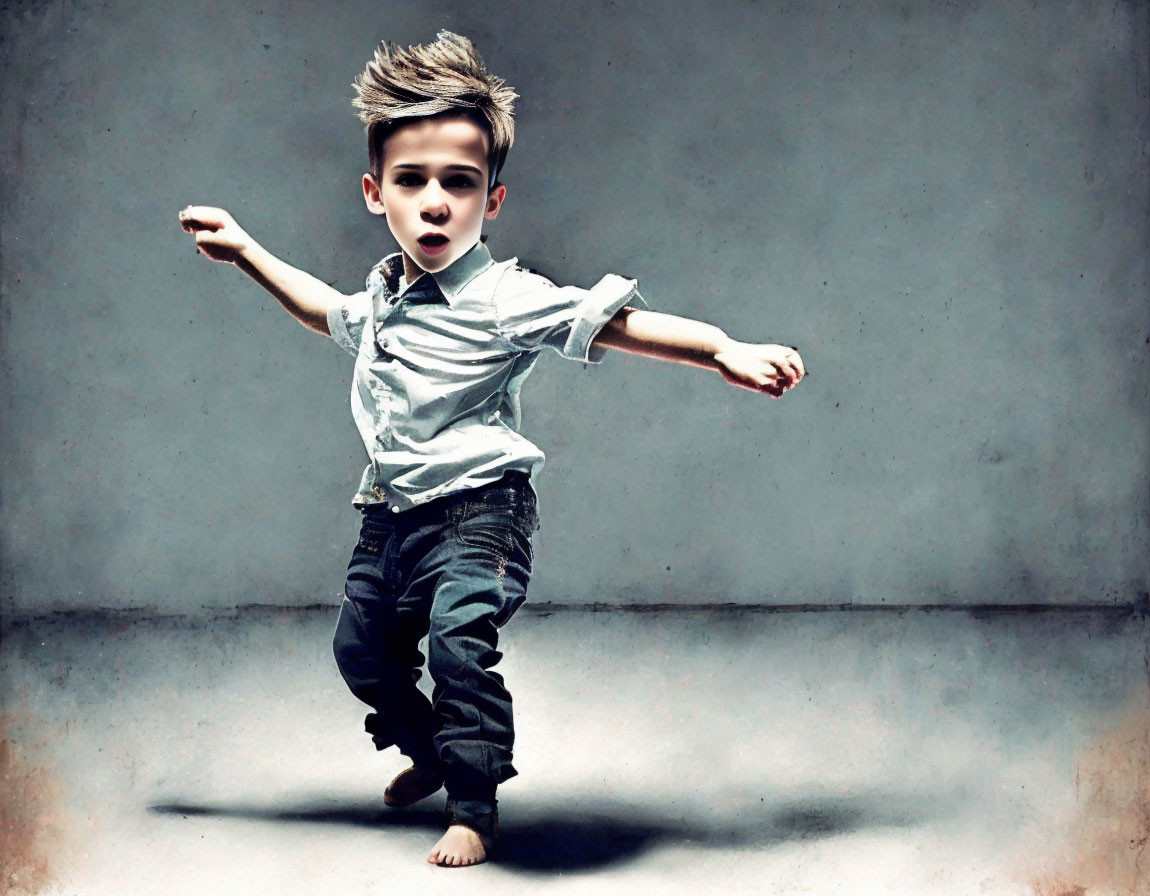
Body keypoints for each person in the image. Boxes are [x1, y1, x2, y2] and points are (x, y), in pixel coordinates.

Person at [177, 30, 804, 868]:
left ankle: (474, 805)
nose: (435, 202)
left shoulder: (504, 297)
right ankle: (430, 755)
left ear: (491, 203)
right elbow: (324, 311)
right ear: (376, 194)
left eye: (459, 184)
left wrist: (721, 346)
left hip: (481, 513)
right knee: (359, 651)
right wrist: (247, 251)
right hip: (391, 516)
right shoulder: (385, 297)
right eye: (412, 181)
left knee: (457, 641)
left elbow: (613, 323)